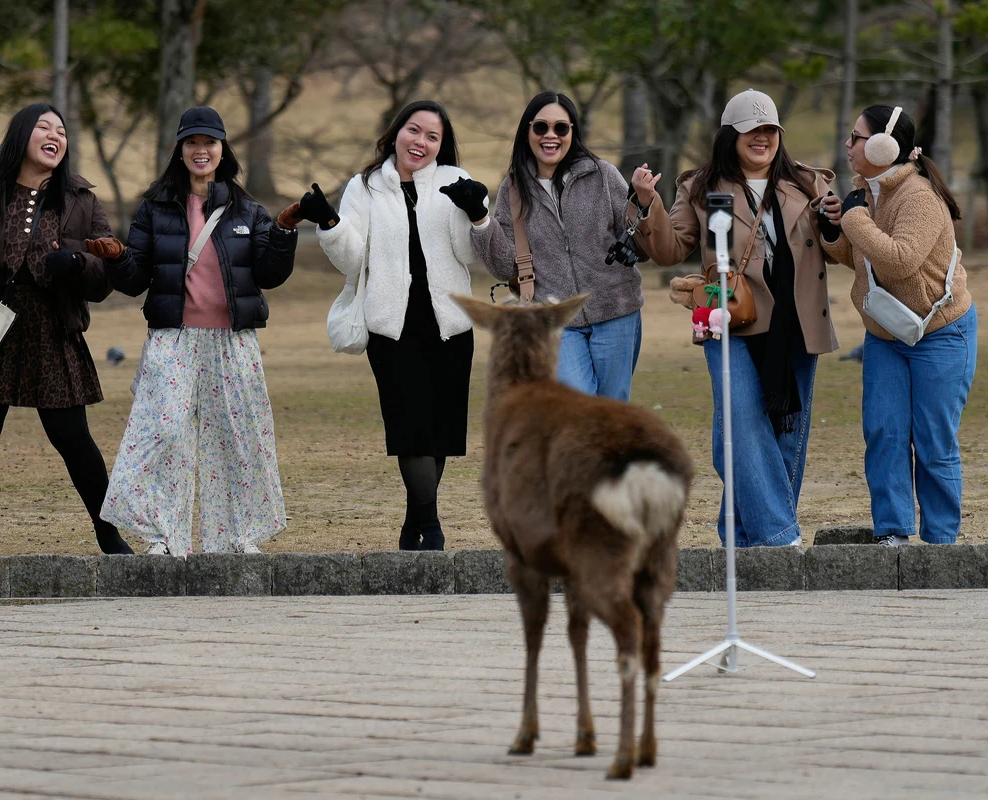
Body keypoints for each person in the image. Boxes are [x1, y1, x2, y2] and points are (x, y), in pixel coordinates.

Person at [0, 103, 133, 557]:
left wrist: (76, 263)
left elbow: (106, 274)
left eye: (62, 130)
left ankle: (110, 538)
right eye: (44, 127)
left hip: (53, 330)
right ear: (21, 136)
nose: (55, 135)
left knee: (74, 440)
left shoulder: (82, 200)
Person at [634, 89, 838, 548]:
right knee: (743, 425)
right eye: (751, 131)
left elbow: (837, 250)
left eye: (770, 130)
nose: (762, 138)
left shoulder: (810, 183)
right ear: (731, 135)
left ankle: (742, 540)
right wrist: (648, 204)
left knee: (786, 433)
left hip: (797, 323)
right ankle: (778, 537)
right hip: (730, 320)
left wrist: (836, 226)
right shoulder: (701, 187)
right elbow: (669, 249)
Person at [97, 106, 299, 556]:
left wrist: (284, 231)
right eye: (192, 142)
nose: (201, 150)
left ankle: (238, 537)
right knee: (163, 432)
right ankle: (163, 536)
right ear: (180, 149)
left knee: (239, 437)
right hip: (173, 337)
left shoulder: (247, 208)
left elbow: (269, 274)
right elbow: (135, 279)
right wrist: (116, 258)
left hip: (233, 340)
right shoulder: (155, 207)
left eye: (209, 142)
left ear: (223, 149)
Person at [297, 100, 479, 551]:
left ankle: (414, 522)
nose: (421, 142)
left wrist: (477, 212)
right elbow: (353, 259)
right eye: (414, 130)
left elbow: (469, 253)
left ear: (441, 145)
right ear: (396, 132)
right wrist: (329, 222)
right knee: (410, 427)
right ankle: (431, 529)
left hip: (450, 325)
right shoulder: (365, 186)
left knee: (439, 432)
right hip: (392, 328)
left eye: (432, 136)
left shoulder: (455, 180)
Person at [820, 104, 975, 547]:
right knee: (884, 433)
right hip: (886, 335)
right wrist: (832, 231)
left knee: (933, 442)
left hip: (940, 333)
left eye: (856, 137)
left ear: (884, 147)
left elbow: (901, 261)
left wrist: (853, 220)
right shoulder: (867, 192)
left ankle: (941, 545)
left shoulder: (918, 197)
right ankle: (893, 535)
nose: (847, 145)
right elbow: (863, 259)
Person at [465, 91, 646, 401]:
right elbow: (505, 266)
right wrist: (480, 220)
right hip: (555, 319)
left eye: (561, 128)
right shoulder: (513, 188)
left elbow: (637, 244)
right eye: (541, 127)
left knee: (612, 408)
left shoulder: (603, 175)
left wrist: (643, 204)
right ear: (527, 131)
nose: (551, 135)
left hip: (617, 312)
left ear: (572, 132)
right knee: (575, 406)